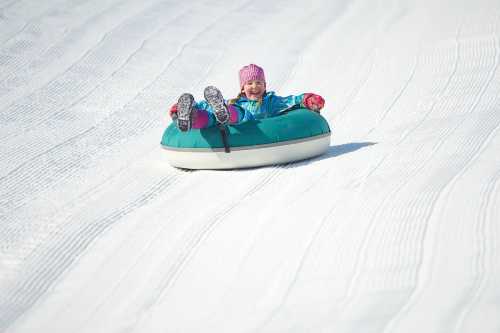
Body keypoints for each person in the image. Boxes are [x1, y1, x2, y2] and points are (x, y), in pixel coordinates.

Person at [169, 64, 325, 132]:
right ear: (242, 87)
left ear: (265, 86)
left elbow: (292, 101)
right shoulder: (236, 100)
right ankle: (190, 116)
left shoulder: (270, 101)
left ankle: (222, 113)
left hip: (246, 121)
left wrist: (308, 99)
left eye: (259, 83)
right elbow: (206, 104)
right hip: (225, 116)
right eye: (249, 83)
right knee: (210, 113)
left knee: (239, 113)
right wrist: (182, 107)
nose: (255, 86)